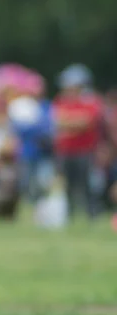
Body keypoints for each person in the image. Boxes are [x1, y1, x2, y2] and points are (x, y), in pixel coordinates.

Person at [53, 64, 103, 218]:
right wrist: (76, 121)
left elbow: (87, 122)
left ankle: (91, 215)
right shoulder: (61, 100)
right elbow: (58, 120)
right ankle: (69, 215)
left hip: (85, 150)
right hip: (65, 151)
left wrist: (70, 122)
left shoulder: (91, 100)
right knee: (67, 185)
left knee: (87, 184)